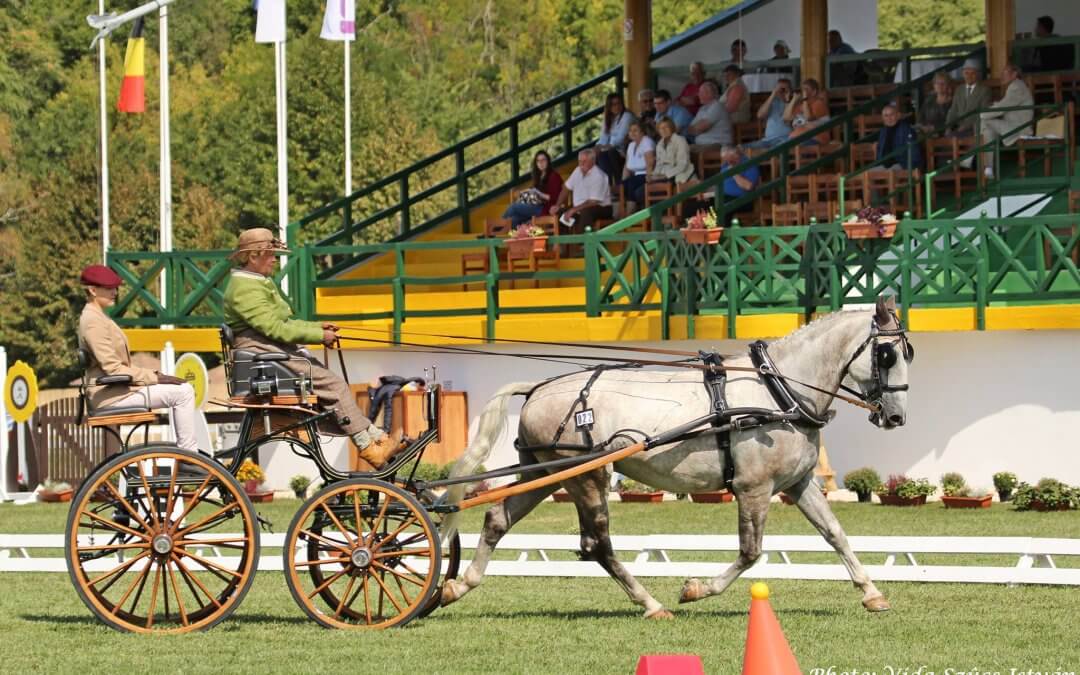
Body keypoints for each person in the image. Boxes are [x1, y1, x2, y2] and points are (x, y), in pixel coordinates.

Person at [222, 228, 404, 468]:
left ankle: (378, 438)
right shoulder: (244, 287)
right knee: (334, 386)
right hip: (264, 353)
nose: (275, 259)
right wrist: (319, 335)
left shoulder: (253, 282)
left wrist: (317, 327)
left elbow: (284, 323)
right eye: (270, 254)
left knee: (332, 385)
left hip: (271, 350)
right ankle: (370, 448)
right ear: (253, 256)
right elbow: (276, 328)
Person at [77, 264, 198, 451]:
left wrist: (155, 376)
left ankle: (187, 455)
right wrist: (155, 378)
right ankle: (189, 455)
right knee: (184, 393)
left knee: (181, 389)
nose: (115, 292)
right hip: (110, 396)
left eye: (115, 287)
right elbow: (113, 369)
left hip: (116, 391)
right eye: (109, 288)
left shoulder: (98, 317)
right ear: (92, 290)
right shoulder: (93, 321)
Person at [980, 63, 1034, 179]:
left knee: (985, 122)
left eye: (1005, 73)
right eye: (1001, 73)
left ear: (1014, 74)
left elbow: (1002, 108)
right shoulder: (1014, 86)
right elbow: (1003, 105)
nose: (1001, 76)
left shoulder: (1017, 87)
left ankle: (985, 165)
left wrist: (982, 114)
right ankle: (987, 167)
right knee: (987, 129)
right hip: (1012, 126)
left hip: (1020, 129)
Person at [549, 148, 613, 236]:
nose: (581, 164)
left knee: (586, 212)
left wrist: (573, 210)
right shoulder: (577, 171)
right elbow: (566, 189)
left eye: (584, 161)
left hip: (602, 208)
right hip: (580, 208)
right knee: (558, 212)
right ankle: (561, 242)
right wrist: (557, 205)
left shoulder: (599, 176)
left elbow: (593, 202)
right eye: (579, 161)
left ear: (593, 161)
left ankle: (582, 242)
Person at [502, 150, 564, 227]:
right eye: (538, 161)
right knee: (515, 219)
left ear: (548, 161)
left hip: (547, 208)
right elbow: (533, 193)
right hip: (536, 206)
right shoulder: (539, 176)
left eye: (543, 160)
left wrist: (539, 193)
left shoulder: (554, 176)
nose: (541, 163)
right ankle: (497, 232)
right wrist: (526, 193)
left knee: (514, 207)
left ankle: (495, 227)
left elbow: (555, 197)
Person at [595, 93, 636, 183]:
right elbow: (603, 138)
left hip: (623, 150)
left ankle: (613, 184)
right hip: (610, 150)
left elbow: (621, 138)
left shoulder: (627, 116)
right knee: (596, 154)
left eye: (618, 103)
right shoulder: (608, 118)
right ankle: (607, 184)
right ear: (609, 106)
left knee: (606, 153)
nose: (616, 106)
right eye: (613, 104)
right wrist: (598, 147)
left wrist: (605, 147)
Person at [945, 59, 992, 137]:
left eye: (973, 73)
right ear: (963, 74)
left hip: (974, 127)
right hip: (958, 127)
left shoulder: (984, 91)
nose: (969, 76)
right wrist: (948, 126)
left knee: (953, 137)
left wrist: (966, 126)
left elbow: (983, 113)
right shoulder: (959, 89)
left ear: (978, 74)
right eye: (966, 73)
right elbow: (953, 110)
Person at [745, 78, 795, 149]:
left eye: (785, 89)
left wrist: (788, 98)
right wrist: (772, 95)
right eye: (780, 89)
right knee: (742, 148)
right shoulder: (773, 102)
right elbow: (760, 115)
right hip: (768, 140)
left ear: (790, 90)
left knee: (773, 149)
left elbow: (788, 121)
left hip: (785, 139)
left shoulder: (794, 102)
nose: (782, 91)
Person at [649, 118, 696, 186]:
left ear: (672, 128)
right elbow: (659, 164)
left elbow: (683, 164)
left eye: (666, 127)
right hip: (664, 176)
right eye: (661, 128)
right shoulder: (659, 144)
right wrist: (653, 175)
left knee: (644, 191)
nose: (663, 130)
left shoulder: (680, 140)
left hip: (679, 175)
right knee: (642, 188)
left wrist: (665, 176)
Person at [719, 146, 760, 223]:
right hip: (724, 197)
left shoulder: (749, 164)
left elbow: (748, 186)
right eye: (725, 160)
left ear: (737, 155)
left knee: (722, 208)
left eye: (730, 160)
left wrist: (733, 173)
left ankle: (723, 230)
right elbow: (720, 184)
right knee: (703, 205)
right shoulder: (725, 165)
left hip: (742, 199)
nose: (728, 162)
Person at [876, 104, 922, 171]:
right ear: (882, 118)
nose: (889, 118)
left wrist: (912, 168)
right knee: (863, 174)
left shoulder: (906, 130)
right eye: (886, 115)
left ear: (898, 115)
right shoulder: (883, 131)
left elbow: (914, 153)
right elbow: (879, 150)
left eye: (892, 115)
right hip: (883, 166)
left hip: (901, 164)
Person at [687, 81, 733, 149]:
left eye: (701, 92)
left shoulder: (717, 106)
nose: (698, 95)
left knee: (684, 150)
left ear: (709, 94)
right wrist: (699, 128)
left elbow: (702, 127)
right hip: (703, 145)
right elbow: (689, 129)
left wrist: (698, 128)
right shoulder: (702, 108)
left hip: (717, 145)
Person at [621, 121, 656, 207]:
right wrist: (623, 182)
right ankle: (623, 212)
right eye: (630, 131)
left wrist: (649, 180)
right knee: (623, 185)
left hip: (646, 175)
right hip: (636, 176)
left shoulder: (647, 142)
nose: (632, 133)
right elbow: (627, 167)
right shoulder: (631, 145)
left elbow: (650, 164)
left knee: (631, 183)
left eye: (635, 130)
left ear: (642, 132)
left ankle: (630, 212)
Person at [787, 78, 830, 145]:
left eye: (806, 89)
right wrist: (793, 100)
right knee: (779, 148)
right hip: (796, 137)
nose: (803, 91)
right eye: (802, 89)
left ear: (814, 92)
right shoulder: (800, 105)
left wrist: (804, 98)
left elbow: (808, 117)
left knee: (793, 147)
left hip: (815, 137)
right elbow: (787, 118)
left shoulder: (819, 103)